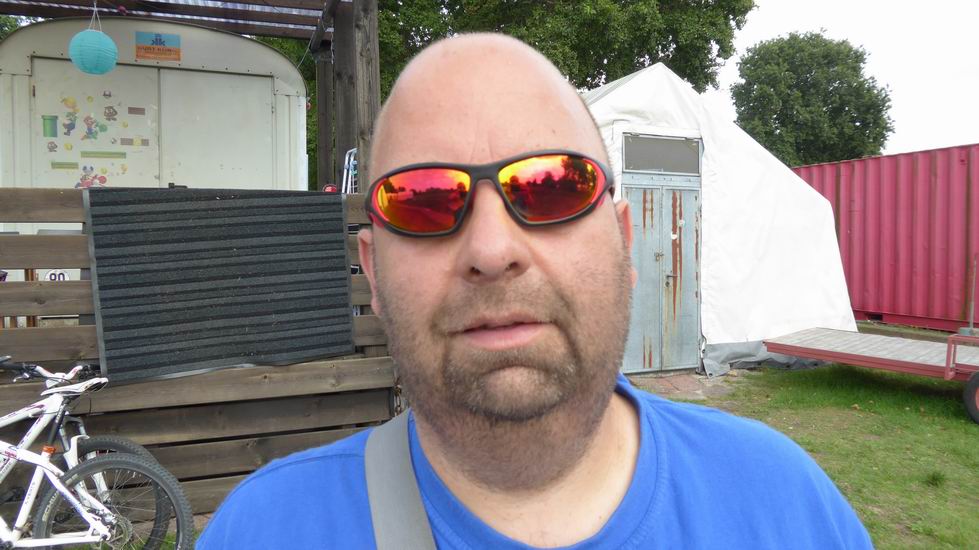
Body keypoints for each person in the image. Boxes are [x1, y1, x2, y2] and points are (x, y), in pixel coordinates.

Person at [197, 34, 872, 549]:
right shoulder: (261, 532)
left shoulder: (787, 508)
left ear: (622, 241)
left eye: (553, 187)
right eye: (424, 200)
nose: (492, 251)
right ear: (373, 272)